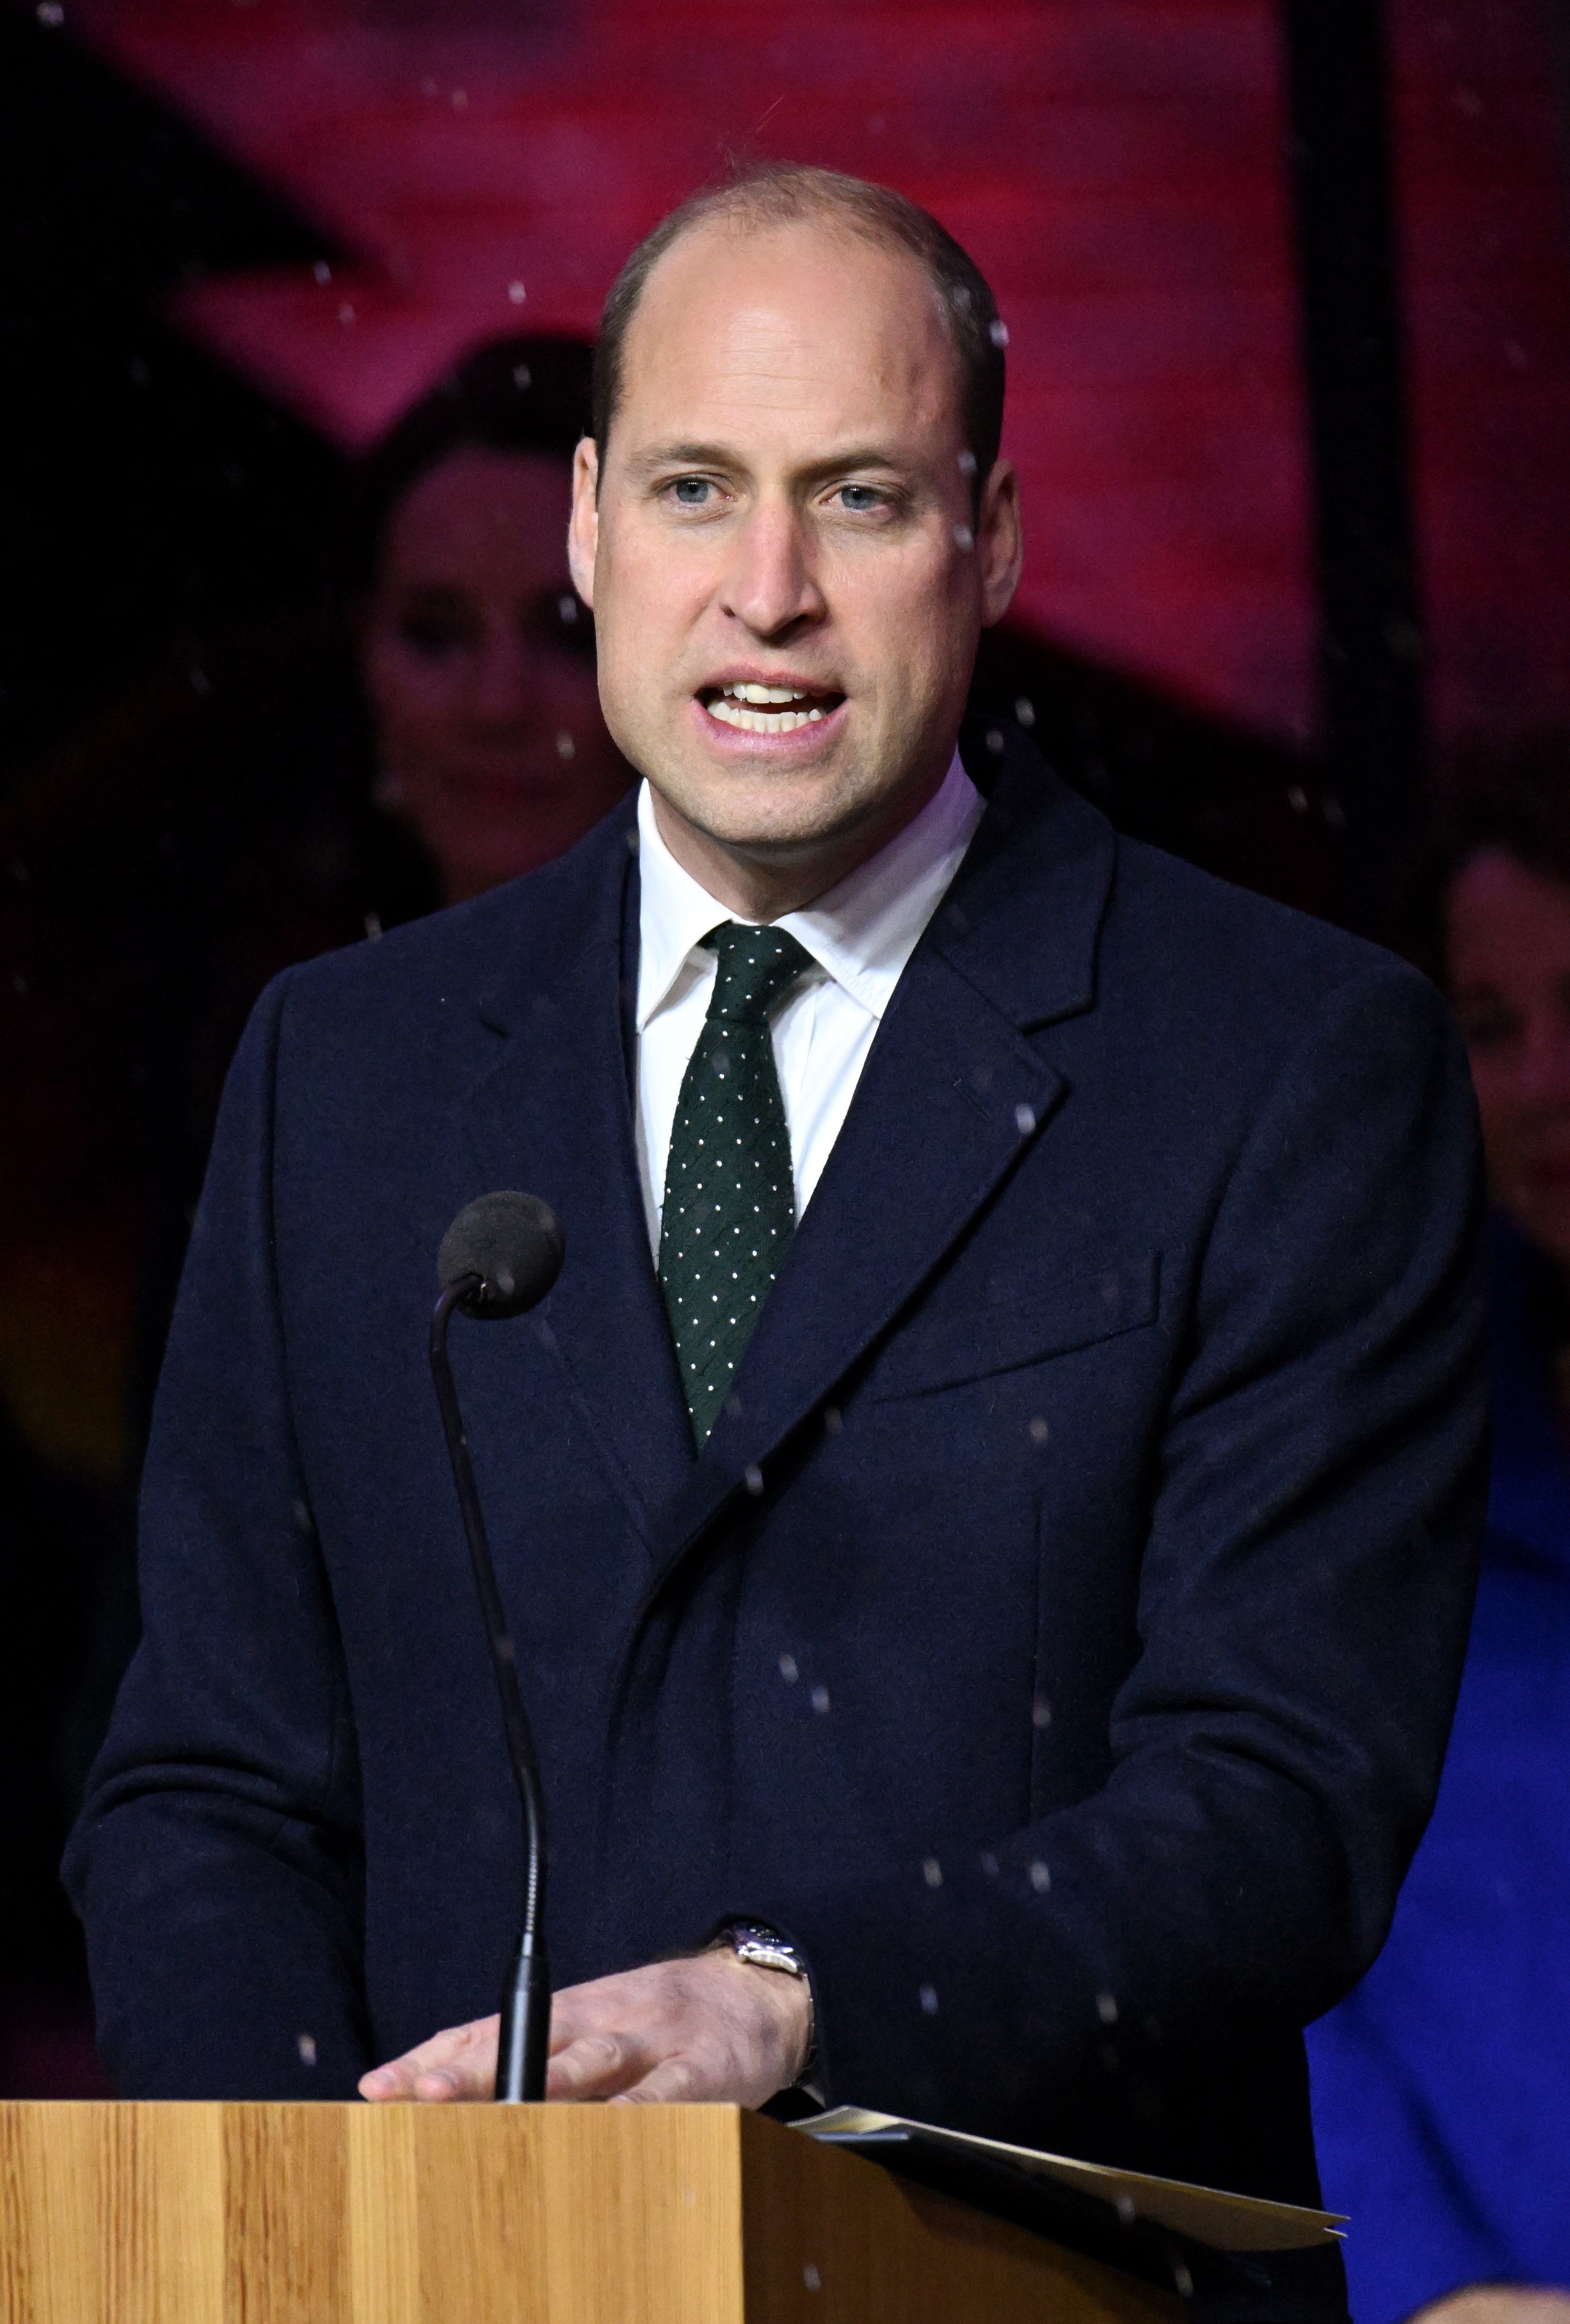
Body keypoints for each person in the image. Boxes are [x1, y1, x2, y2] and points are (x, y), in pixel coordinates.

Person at [67, 164, 1485, 2321]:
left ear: (990, 540)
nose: (766, 591)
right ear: (584, 523)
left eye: (860, 499)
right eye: (696, 489)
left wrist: (790, 2004)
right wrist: (303, 2227)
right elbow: (205, 1786)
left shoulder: (1281, 1064)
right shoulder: (341, 1075)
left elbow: (1278, 1803)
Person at [1308, 750, 1570, 2319]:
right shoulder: (1369, 1437)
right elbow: (1238, 1904)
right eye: (1491, 1029)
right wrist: (1420, 2282)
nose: (1546, 1079)